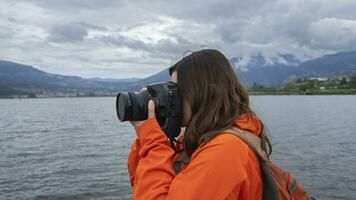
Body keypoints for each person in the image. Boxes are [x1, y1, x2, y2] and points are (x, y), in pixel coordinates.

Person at [127, 49, 272, 200]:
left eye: (176, 90)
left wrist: (152, 141)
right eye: (170, 91)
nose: (172, 98)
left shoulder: (227, 150)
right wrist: (152, 134)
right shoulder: (197, 138)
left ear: (202, 92)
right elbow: (140, 181)